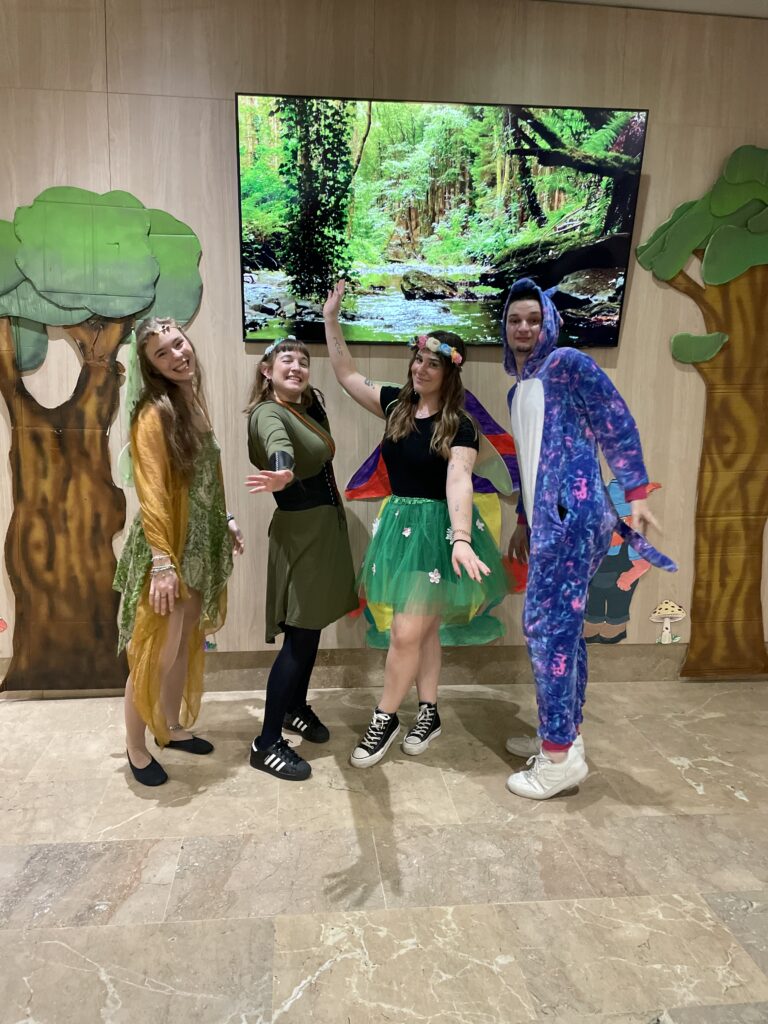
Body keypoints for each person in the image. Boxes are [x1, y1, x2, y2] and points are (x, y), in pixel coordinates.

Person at [502, 278, 675, 800]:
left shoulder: (567, 364)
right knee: (564, 629)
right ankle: (564, 736)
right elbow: (531, 460)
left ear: (549, 322)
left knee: (547, 630)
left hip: (572, 520)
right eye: (515, 320)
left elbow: (614, 419)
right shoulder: (519, 388)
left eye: (534, 319)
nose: (524, 328)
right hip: (551, 521)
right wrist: (523, 520)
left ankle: (556, 759)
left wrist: (636, 490)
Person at [323, 280, 507, 768]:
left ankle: (385, 717)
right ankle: (429, 711)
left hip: (438, 534)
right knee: (422, 632)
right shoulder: (395, 405)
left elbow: (459, 479)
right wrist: (331, 319)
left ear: (450, 371)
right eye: (418, 359)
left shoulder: (460, 425)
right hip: (400, 529)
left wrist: (462, 539)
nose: (420, 368)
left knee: (406, 632)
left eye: (432, 363)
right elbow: (346, 374)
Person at [114, 317, 244, 787]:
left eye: (178, 344)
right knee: (155, 651)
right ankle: (135, 746)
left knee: (184, 641)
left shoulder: (192, 401)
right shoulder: (153, 414)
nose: (176, 356)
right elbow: (151, 494)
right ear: (150, 367)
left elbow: (206, 474)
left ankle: (169, 727)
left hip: (198, 544)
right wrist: (162, 564)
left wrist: (225, 519)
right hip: (166, 549)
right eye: (162, 354)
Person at [245, 337, 357, 781]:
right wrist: (282, 471)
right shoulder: (267, 412)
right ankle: (266, 742)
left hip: (323, 529)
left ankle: (294, 707)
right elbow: (279, 445)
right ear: (266, 370)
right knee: (298, 637)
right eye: (286, 359)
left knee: (310, 633)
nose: (296, 366)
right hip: (302, 534)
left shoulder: (308, 407)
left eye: (303, 361)